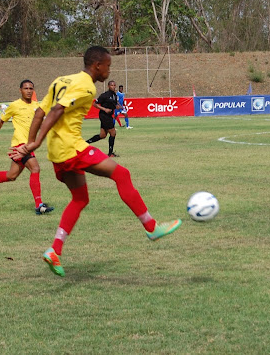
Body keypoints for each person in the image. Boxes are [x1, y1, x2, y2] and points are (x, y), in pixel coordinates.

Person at [12, 46, 181, 277]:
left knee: (80, 198)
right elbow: (56, 111)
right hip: (71, 149)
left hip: (57, 153)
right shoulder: (86, 86)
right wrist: (35, 143)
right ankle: (151, 227)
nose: (109, 72)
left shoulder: (61, 80)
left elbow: (40, 112)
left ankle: (55, 250)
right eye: (108, 66)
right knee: (122, 174)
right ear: (97, 65)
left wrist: (30, 142)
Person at [0, 80, 54, 215]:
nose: (28, 90)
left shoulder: (37, 106)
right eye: (26, 88)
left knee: (11, 176)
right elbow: (1, 120)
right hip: (19, 145)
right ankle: (39, 205)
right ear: (20, 90)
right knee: (35, 168)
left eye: (31, 88)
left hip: (29, 145)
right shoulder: (14, 105)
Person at [86, 80, 120, 157]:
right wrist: (105, 109)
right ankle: (110, 153)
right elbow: (95, 104)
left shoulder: (114, 95)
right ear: (108, 86)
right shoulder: (105, 95)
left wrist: (116, 106)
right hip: (104, 115)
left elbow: (113, 104)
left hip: (109, 116)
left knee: (102, 135)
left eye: (114, 85)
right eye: (112, 85)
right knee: (113, 133)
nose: (113, 86)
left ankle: (85, 143)